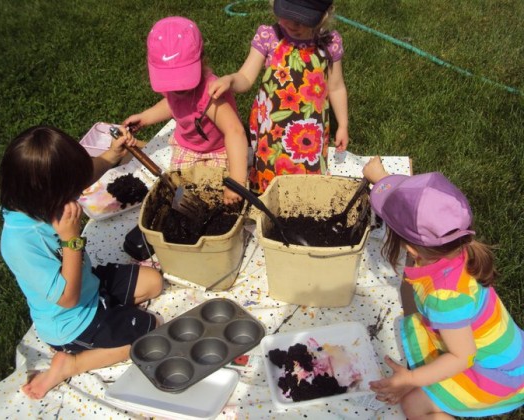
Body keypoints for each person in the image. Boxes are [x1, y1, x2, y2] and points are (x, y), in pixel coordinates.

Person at [0, 125, 164, 399]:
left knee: (154, 283)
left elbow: (84, 174)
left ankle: (111, 312)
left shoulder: (39, 196)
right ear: (48, 193)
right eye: (72, 191)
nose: (78, 195)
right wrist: (71, 240)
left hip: (91, 285)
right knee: (151, 330)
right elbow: (67, 298)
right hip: (72, 321)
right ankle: (71, 363)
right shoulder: (19, 242)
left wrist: (112, 156)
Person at [363, 156, 524, 418]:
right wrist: (382, 181)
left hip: (493, 374)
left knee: (414, 404)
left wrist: (411, 379)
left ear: (412, 249)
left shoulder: (445, 296)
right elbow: (414, 210)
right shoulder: (457, 245)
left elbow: (462, 357)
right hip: (503, 351)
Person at [208, 0, 349, 194]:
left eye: (301, 20)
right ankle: (268, 199)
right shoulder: (270, 36)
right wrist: (231, 80)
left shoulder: (328, 44)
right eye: (287, 15)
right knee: (270, 168)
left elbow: (336, 87)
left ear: (324, 16)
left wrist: (342, 124)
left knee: (307, 180)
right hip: (271, 128)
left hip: (310, 131)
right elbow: (246, 77)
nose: (292, 24)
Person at [123, 16, 248, 205]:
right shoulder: (172, 86)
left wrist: (237, 182)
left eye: (183, 80)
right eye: (173, 82)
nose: (178, 88)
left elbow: (235, 131)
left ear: (202, 60)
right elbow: (172, 104)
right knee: (182, 190)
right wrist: (145, 118)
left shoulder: (210, 92)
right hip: (188, 147)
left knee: (218, 193)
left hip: (218, 149)